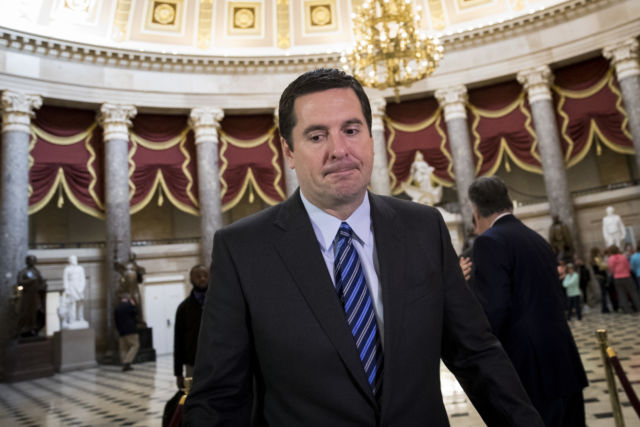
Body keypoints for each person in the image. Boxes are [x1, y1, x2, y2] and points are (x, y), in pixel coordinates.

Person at [183, 68, 543, 426]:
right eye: (316, 136)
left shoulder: (424, 227)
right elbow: (218, 398)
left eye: (351, 130)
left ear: (371, 139)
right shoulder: (243, 249)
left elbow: (476, 354)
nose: (339, 150)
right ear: (288, 151)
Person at [468, 176, 588, 427]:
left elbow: (494, 311)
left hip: (530, 369)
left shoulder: (488, 242)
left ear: (476, 210)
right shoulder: (537, 239)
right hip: (563, 360)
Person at [174, 264, 209, 390]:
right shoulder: (183, 308)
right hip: (193, 361)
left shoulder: (220, 304)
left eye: (205, 275)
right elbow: (178, 340)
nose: (202, 279)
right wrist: (178, 373)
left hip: (218, 360)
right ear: (191, 279)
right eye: (198, 276)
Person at [15, 255, 48, 338]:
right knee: (26, 312)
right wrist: (30, 281)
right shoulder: (23, 272)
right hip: (27, 296)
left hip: (36, 296)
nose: (32, 262)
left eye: (34, 261)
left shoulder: (36, 272)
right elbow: (19, 283)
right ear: (27, 262)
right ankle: (26, 329)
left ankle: (34, 328)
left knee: (38, 312)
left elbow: (41, 283)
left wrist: (44, 285)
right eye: (30, 260)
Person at [607, 245, 640, 313]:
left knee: (621, 294)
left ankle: (627, 310)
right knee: (633, 292)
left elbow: (611, 269)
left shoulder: (611, 259)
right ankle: (638, 306)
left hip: (617, 278)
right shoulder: (622, 257)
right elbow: (628, 266)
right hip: (627, 276)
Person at [59, 255, 88, 329]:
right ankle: (72, 319)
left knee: (80, 303)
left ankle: (81, 318)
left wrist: (81, 288)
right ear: (69, 261)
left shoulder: (80, 268)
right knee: (72, 304)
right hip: (71, 287)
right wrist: (67, 289)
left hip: (79, 287)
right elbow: (65, 280)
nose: (73, 260)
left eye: (74, 259)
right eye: (72, 259)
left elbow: (83, 279)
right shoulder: (67, 269)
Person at [114, 293, 139, 371]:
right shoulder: (129, 305)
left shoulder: (117, 307)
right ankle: (127, 362)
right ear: (128, 299)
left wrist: (119, 330)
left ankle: (126, 365)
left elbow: (116, 321)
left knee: (123, 348)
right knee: (135, 345)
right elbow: (135, 313)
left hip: (121, 331)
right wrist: (133, 305)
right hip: (131, 330)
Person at [590, 247, 611, 313]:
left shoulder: (593, 259)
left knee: (603, 293)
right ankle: (604, 308)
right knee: (604, 293)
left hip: (599, 277)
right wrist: (608, 265)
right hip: (601, 277)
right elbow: (602, 267)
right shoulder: (596, 259)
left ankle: (605, 308)